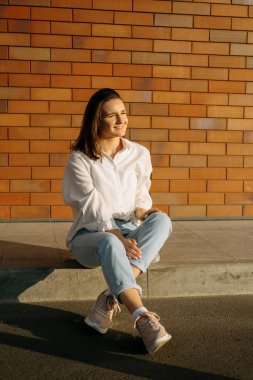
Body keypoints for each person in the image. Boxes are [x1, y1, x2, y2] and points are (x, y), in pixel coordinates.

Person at [62, 88, 173, 354]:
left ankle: (111, 296)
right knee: (111, 244)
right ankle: (142, 318)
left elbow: (139, 197)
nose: (121, 120)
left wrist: (143, 212)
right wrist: (116, 236)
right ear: (97, 120)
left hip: (129, 228)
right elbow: (91, 205)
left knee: (162, 220)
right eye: (112, 115)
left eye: (123, 113)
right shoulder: (80, 158)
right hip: (91, 234)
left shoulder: (139, 153)